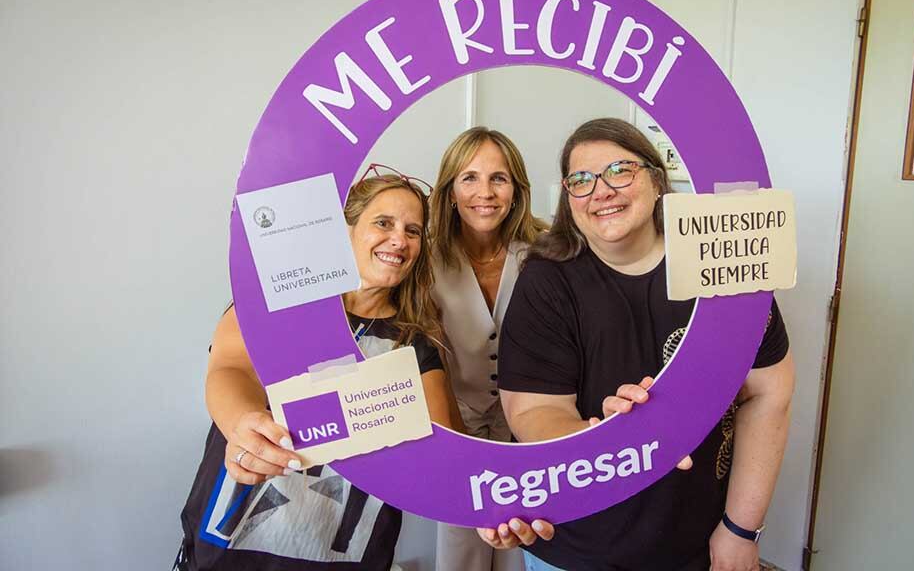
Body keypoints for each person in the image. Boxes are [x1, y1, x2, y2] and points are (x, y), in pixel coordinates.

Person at [497, 118, 795, 571]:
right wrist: (610, 442)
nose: (601, 191)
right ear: (568, 198)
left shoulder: (720, 260)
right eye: (581, 180)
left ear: (657, 181)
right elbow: (533, 411)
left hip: (696, 541)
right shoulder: (546, 280)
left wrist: (740, 529)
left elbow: (769, 394)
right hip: (577, 546)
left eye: (620, 170)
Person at [177, 173, 461, 571]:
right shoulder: (278, 302)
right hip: (228, 552)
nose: (399, 239)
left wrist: (490, 505)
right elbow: (231, 369)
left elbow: (439, 451)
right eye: (384, 223)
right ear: (346, 229)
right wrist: (243, 424)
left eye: (412, 231)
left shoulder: (415, 343)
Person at [427, 127, 549, 571]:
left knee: (527, 549)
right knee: (460, 554)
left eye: (499, 178)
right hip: (454, 432)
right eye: (470, 178)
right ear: (450, 192)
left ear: (516, 190)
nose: (486, 192)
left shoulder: (545, 251)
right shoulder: (422, 258)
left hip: (532, 431)